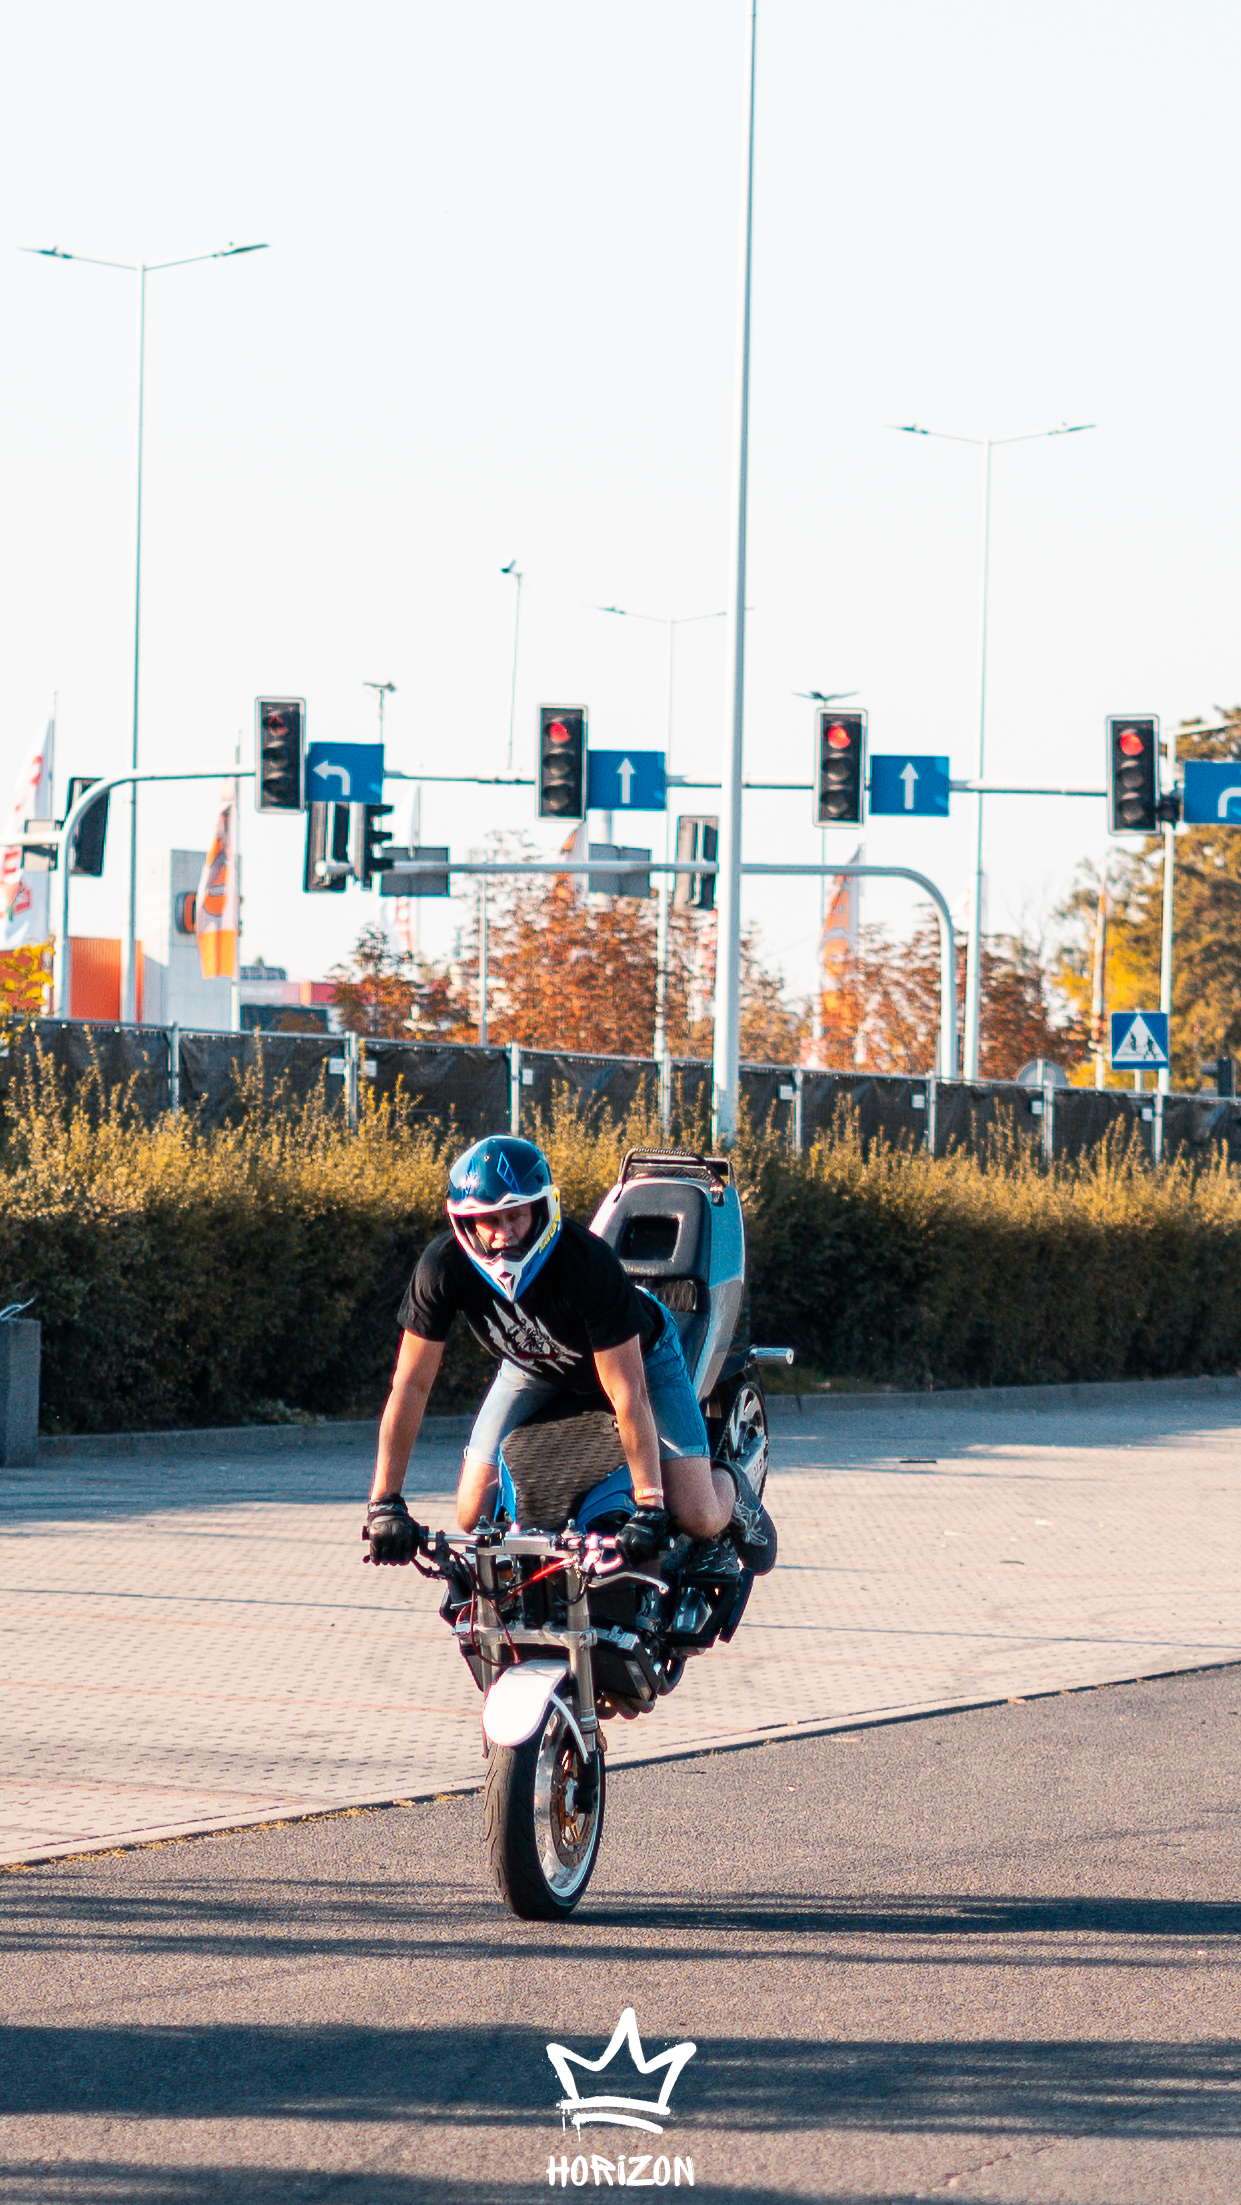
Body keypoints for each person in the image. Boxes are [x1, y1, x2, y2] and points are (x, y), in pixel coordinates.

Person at [366, 1134, 775, 1575]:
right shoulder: (442, 1267)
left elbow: (628, 1393)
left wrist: (650, 1505)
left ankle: (736, 1486)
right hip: (533, 1364)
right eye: (489, 1220)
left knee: (696, 1513)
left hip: (642, 1357)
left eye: (515, 1215)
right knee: (472, 1514)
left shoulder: (587, 1264)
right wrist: (384, 1502)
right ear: (466, 1222)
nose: (504, 1235)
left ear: (541, 1209)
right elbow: (411, 1386)